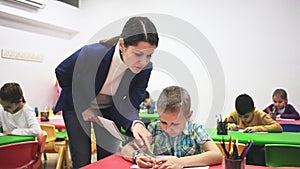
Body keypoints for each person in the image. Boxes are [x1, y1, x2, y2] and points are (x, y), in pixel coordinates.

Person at [54, 16, 159, 168]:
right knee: (82, 158)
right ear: (122, 44)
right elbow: (62, 72)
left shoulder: (146, 68)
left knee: (109, 159)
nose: (143, 62)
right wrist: (84, 107)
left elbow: (131, 103)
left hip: (108, 111)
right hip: (77, 105)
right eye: (138, 54)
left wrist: (136, 124)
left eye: (149, 55)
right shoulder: (92, 53)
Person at [121, 86, 223, 169]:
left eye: (175, 124)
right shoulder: (155, 128)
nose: (168, 128)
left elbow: (217, 155)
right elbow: (127, 148)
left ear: (188, 116)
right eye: (164, 122)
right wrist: (137, 156)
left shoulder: (195, 128)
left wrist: (180, 162)